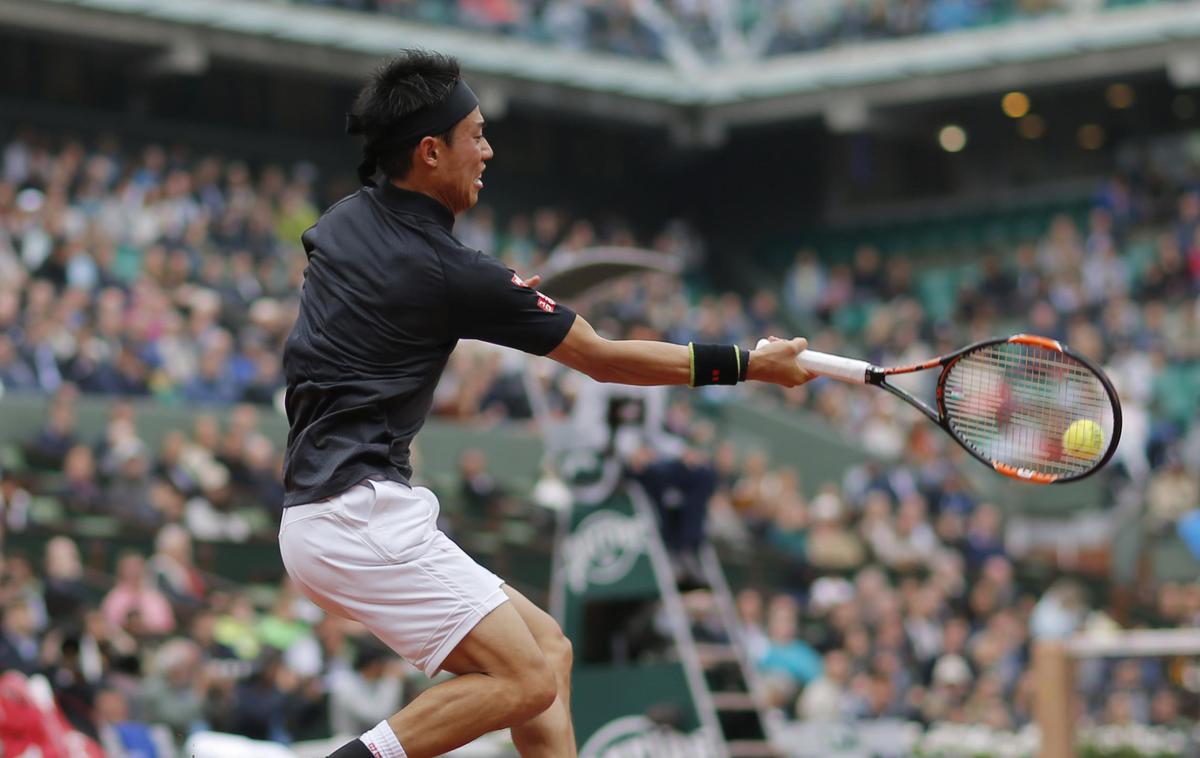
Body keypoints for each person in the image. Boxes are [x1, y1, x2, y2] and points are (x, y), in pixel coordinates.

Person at [277, 49, 812, 758]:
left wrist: (488, 301)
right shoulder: (455, 273)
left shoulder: (343, 223)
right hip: (357, 514)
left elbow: (382, 299)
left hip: (326, 515)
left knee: (549, 652)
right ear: (431, 152)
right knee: (525, 680)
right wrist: (748, 364)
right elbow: (602, 357)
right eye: (476, 134)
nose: (488, 150)